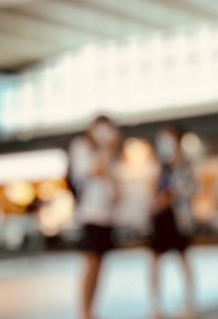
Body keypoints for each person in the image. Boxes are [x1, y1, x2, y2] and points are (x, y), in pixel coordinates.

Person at [69, 115, 121, 319]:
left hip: (106, 216)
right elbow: (92, 171)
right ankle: (84, 312)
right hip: (89, 215)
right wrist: (106, 149)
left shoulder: (109, 153)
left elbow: (112, 183)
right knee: (90, 263)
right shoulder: (81, 146)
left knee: (100, 265)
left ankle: (92, 310)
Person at [149, 126, 197, 319]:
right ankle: (156, 304)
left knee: (183, 258)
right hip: (161, 218)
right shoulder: (160, 166)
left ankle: (189, 301)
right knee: (155, 260)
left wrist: (172, 196)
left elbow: (191, 188)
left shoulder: (185, 164)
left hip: (178, 218)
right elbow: (152, 189)